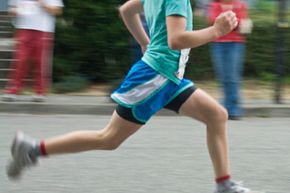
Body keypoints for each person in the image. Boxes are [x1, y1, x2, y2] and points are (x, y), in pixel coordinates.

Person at [6, 0, 259, 193]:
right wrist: (216, 30)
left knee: (217, 115)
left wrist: (144, 42)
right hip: (155, 78)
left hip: (169, 78)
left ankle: (224, 184)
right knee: (108, 138)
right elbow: (177, 39)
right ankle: (31, 149)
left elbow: (127, 10)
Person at [1, 0, 63, 102]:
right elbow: (11, 10)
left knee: (40, 62)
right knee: (20, 60)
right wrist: (13, 12)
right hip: (23, 28)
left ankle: (39, 92)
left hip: (43, 29)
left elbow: (57, 11)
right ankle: (12, 91)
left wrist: (42, 3)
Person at [207, 0, 251, 120]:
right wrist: (231, 23)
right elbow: (213, 21)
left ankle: (234, 109)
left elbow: (243, 24)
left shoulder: (240, 4)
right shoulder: (215, 5)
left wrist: (225, 24)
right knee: (223, 76)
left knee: (232, 77)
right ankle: (226, 107)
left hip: (235, 44)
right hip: (218, 44)